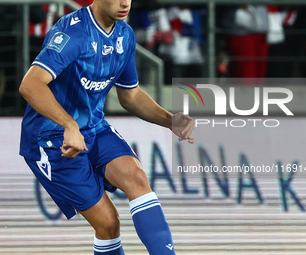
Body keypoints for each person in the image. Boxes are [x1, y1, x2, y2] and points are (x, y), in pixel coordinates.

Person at [19, 0, 195, 255]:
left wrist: (171, 121)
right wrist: (68, 124)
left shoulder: (125, 34)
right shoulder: (72, 32)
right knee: (108, 223)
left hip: (93, 127)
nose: (125, 2)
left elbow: (130, 96)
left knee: (136, 178)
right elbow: (30, 85)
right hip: (51, 137)